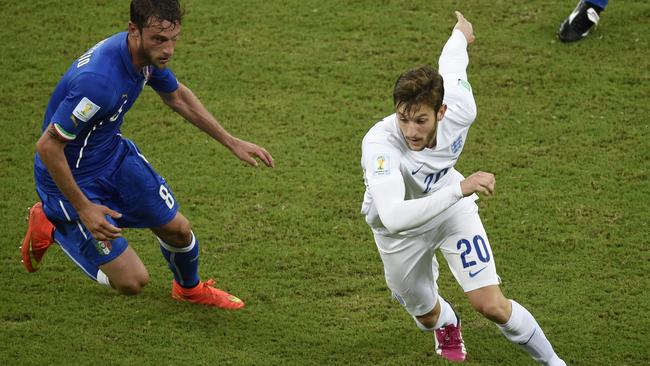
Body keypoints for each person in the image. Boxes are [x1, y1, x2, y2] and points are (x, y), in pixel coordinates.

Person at [20, 0, 274, 310]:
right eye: (158, 39)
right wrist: (84, 208)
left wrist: (231, 141)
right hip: (68, 179)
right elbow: (48, 146)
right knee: (132, 282)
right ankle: (51, 223)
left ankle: (189, 289)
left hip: (112, 157)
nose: (168, 49)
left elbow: (177, 96)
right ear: (134, 30)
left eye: (173, 38)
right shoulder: (99, 83)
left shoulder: (145, 56)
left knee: (178, 230)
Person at [360, 11, 566, 365]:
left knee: (492, 305)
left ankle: (554, 362)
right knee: (425, 317)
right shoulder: (379, 145)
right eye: (403, 118)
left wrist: (461, 32)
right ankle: (446, 321)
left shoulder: (461, 108)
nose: (410, 130)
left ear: (441, 112)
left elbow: (453, 63)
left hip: (452, 212)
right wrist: (460, 189)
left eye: (420, 120)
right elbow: (394, 217)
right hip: (400, 234)